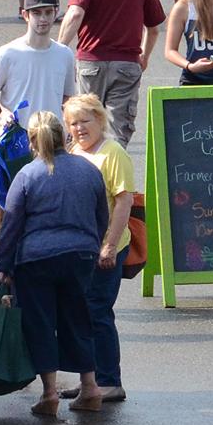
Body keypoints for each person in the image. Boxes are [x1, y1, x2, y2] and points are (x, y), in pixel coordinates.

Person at [0, 112, 109, 416]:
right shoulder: (88, 170)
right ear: (65, 137)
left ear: (33, 141)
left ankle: (49, 395)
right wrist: (91, 246)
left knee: (41, 323)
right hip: (81, 255)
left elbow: (12, 225)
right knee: (79, 319)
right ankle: (90, 387)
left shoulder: (28, 175)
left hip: (36, 260)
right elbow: (102, 216)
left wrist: (3, 263)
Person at [57, 0, 165, 148]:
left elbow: (75, 13)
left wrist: (59, 48)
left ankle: (87, 177)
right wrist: (144, 56)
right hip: (127, 64)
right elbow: (154, 27)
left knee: (85, 127)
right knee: (118, 133)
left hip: (91, 61)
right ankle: (115, 180)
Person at [62, 94, 133, 403]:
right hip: (80, 250)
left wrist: (110, 246)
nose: (79, 128)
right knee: (80, 316)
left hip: (106, 250)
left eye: (85, 121)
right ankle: (88, 379)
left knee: (98, 312)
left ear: (100, 120)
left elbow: (123, 200)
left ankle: (109, 381)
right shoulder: (73, 152)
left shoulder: (113, 153)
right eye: (73, 123)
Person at [0, 0, 78, 131]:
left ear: (56, 13)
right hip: (16, 142)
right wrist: (3, 114)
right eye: (36, 13)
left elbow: (68, 97)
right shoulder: (6, 54)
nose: (43, 18)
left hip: (53, 142)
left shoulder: (65, 54)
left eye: (48, 12)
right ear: (25, 15)